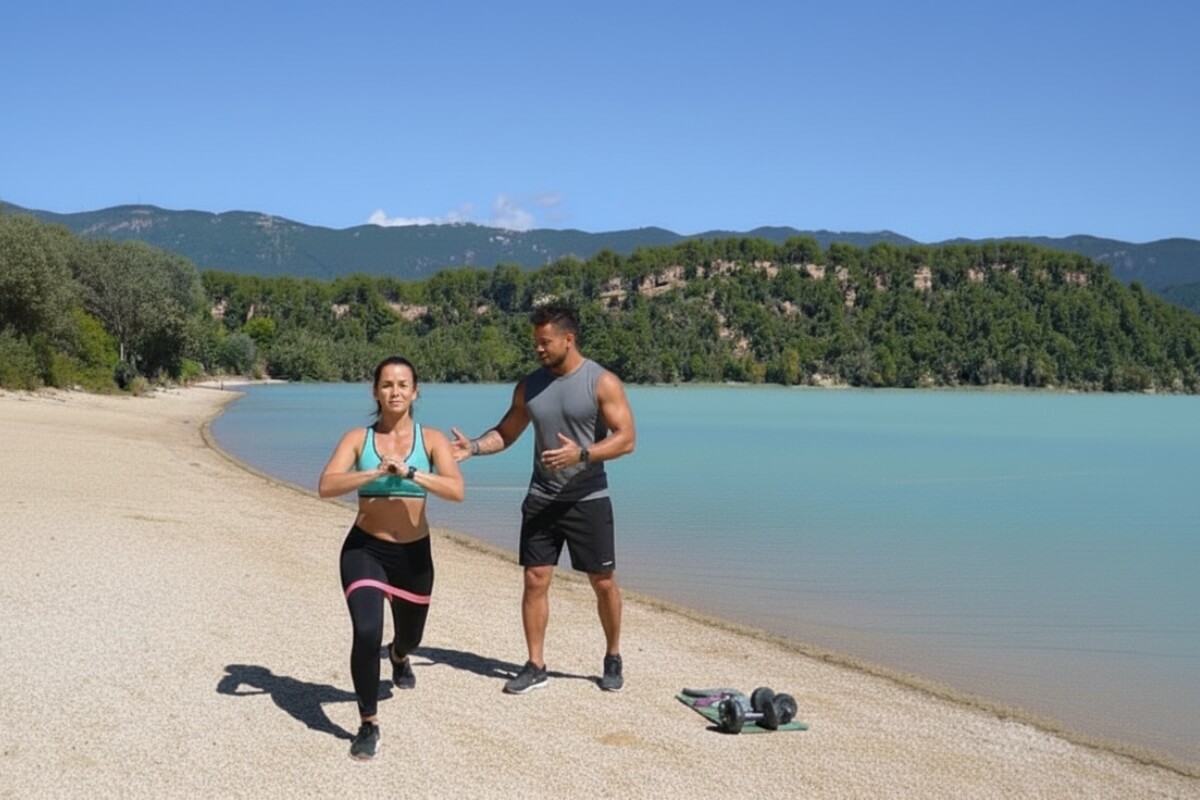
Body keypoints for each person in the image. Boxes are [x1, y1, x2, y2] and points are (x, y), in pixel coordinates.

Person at [451, 305, 636, 694]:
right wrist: (474, 448)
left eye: (544, 342)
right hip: (541, 497)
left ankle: (613, 656)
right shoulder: (529, 386)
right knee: (535, 579)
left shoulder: (601, 382)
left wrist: (582, 454)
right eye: (535, 342)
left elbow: (626, 439)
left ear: (569, 340)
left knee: (602, 582)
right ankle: (535, 664)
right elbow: (507, 432)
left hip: (588, 497)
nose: (537, 348)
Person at [318, 356, 464, 761]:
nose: (395, 391)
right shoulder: (357, 439)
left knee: (410, 636)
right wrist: (372, 474)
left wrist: (411, 474)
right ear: (375, 391)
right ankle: (368, 723)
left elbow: (456, 491)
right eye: (386, 385)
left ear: (415, 392)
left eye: (403, 384)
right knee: (366, 632)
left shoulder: (431, 439)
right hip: (365, 549)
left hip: (414, 557)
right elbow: (326, 486)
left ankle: (399, 657)